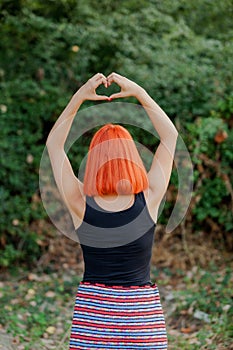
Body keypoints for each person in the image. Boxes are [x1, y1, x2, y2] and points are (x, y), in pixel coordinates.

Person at [46, 72, 178, 349]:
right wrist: (139, 92)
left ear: (93, 160)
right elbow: (170, 136)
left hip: (92, 324)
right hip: (142, 323)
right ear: (132, 157)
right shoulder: (150, 197)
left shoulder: (80, 202)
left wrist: (79, 96)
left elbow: (54, 146)